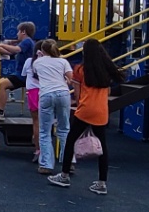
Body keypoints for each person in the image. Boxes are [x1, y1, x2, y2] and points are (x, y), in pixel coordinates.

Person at [50, 38, 117, 194]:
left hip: (85, 109)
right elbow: (108, 91)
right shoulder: (107, 70)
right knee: (103, 148)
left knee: (71, 140)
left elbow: (78, 94)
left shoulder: (80, 69)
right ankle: (102, 183)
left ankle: (64, 175)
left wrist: (79, 104)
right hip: (101, 110)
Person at [30, 39, 73, 176]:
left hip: (46, 94)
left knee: (45, 130)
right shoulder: (63, 61)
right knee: (64, 129)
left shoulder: (38, 62)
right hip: (63, 93)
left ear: (42, 50)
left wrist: (40, 57)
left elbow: (35, 72)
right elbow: (70, 79)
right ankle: (68, 162)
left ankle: (46, 164)